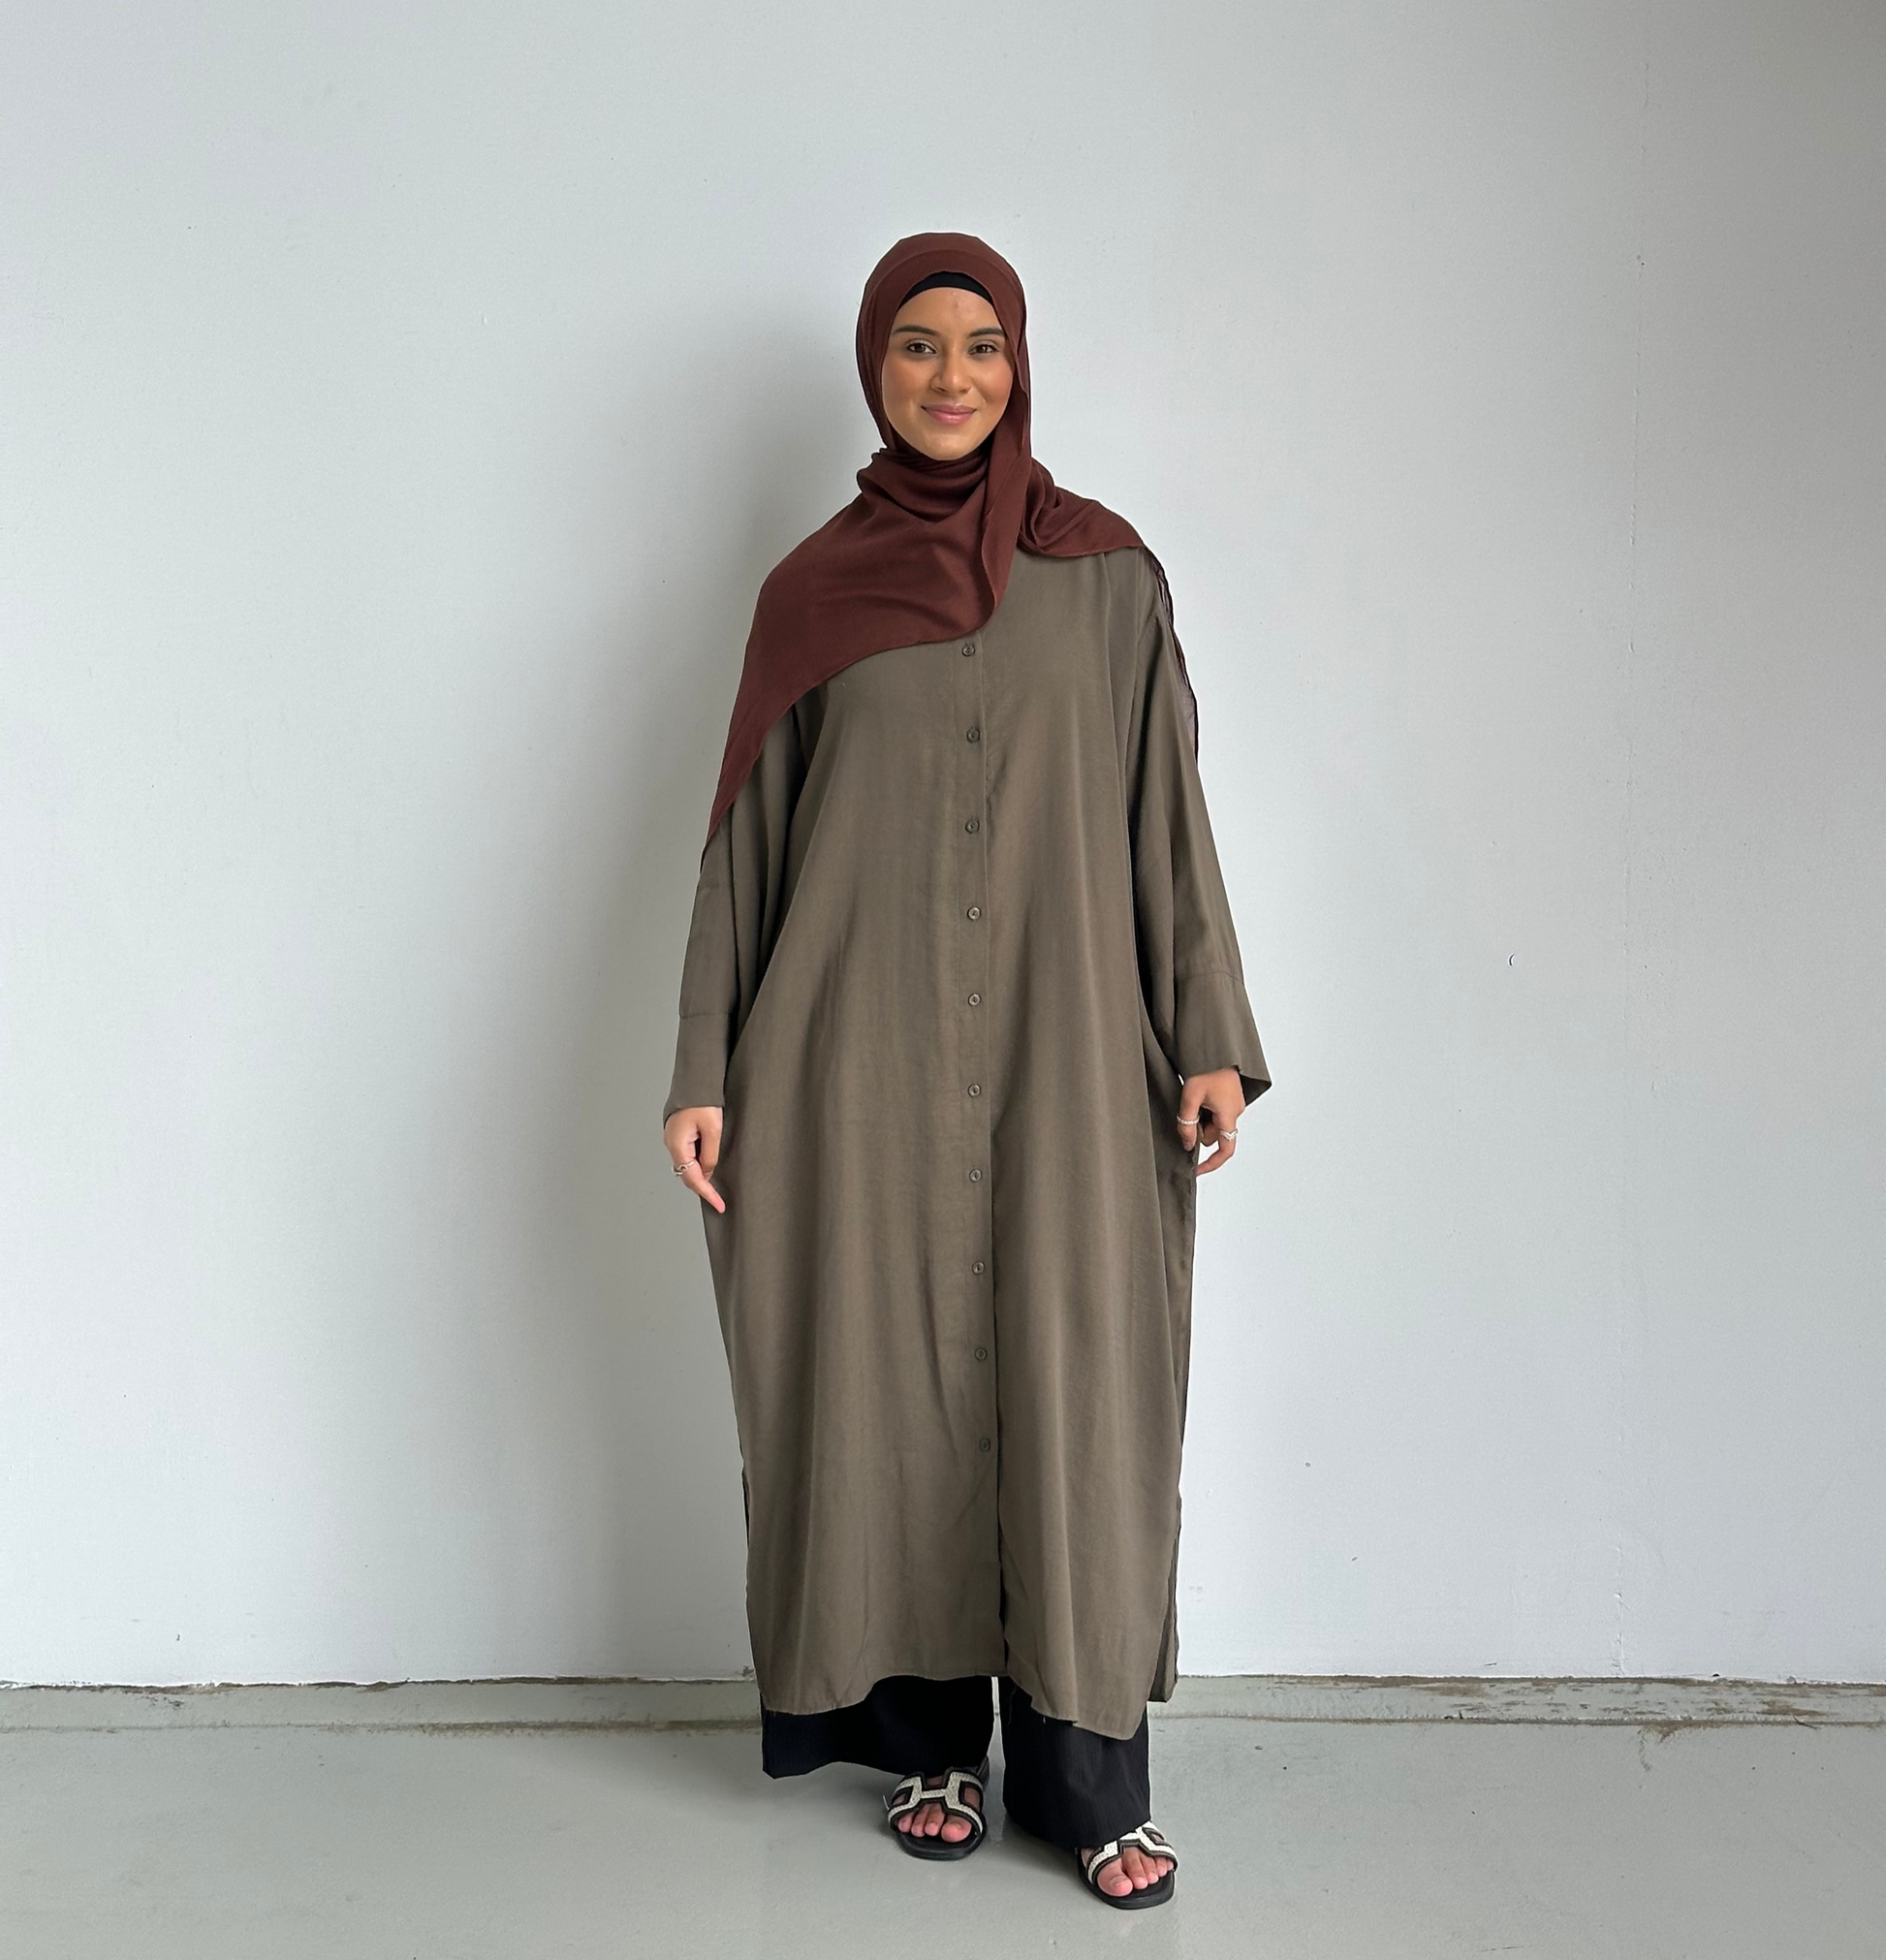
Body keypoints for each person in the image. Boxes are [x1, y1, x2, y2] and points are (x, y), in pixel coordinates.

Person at [660, 232, 1268, 1911]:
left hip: (1073, 1053)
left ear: (1019, 365)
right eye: (916, 345)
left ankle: (1088, 1782)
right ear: (876, 368)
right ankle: (927, 1742)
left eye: (980, 344)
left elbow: (1165, 813)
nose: (950, 376)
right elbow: (743, 843)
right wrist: (703, 1057)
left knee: (1081, 1392)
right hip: (853, 1059)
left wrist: (1209, 1032)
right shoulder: (810, 594)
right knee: (887, 1387)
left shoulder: (1108, 575)